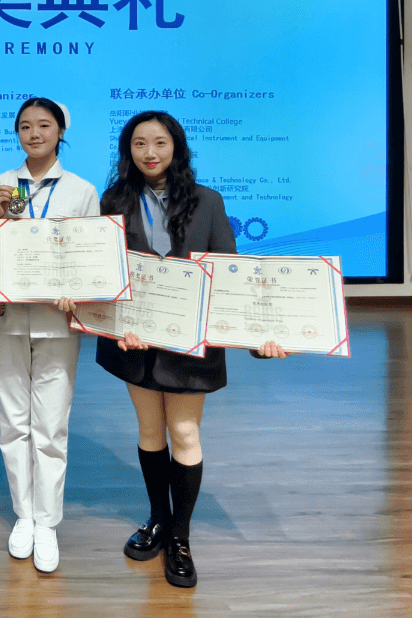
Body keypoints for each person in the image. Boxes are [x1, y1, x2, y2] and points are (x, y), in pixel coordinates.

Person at [96, 110, 285, 589]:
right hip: (135, 340)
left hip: (190, 343)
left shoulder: (207, 201)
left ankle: (179, 538)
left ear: (176, 147)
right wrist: (117, 324)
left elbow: (229, 273)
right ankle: (158, 520)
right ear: (128, 151)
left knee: (183, 432)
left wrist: (257, 340)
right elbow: (105, 272)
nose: (150, 152)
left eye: (160, 142)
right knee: (149, 431)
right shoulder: (114, 199)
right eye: (139, 143)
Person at [0, 97, 98, 573]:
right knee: (13, 423)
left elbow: (90, 253)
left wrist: (78, 291)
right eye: (25, 126)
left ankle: (47, 521)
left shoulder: (82, 191)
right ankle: (23, 515)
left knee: (50, 424)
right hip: (6, 317)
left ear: (60, 131)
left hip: (56, 321)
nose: (34, 134)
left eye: (44, 125)